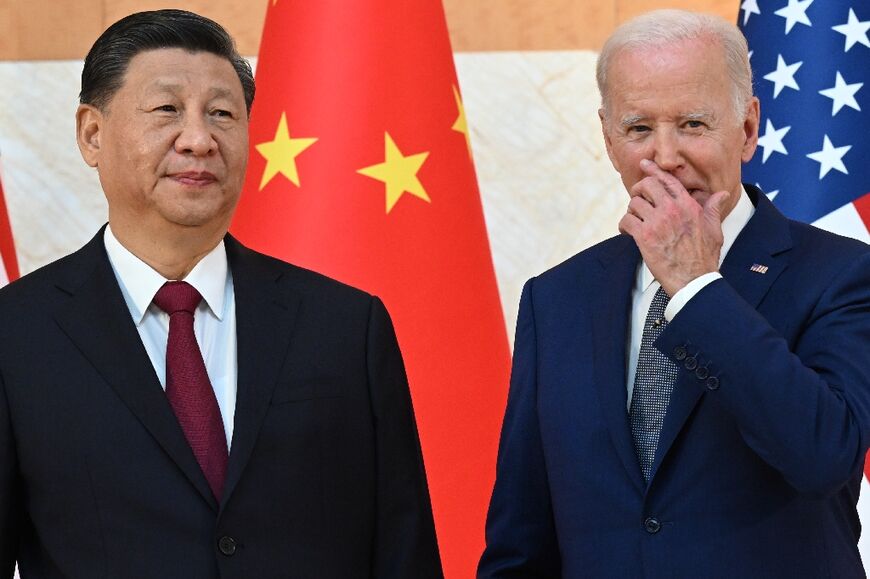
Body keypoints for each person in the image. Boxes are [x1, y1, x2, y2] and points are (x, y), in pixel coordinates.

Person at [0, 9, 442, 579]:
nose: (199, 139)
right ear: (92, 133)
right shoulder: (17, 336)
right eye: (166, 110)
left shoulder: (345, 327)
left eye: (222, 114)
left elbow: (404, 552)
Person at [479, 9, 870, 578]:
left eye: (692, 124)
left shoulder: (843, 274)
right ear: (609, 139)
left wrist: (695, 286)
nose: (663, 157)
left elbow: (822, 456)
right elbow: (523, 534)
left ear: (748, 129)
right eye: (639, 128)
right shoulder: (556, 298)